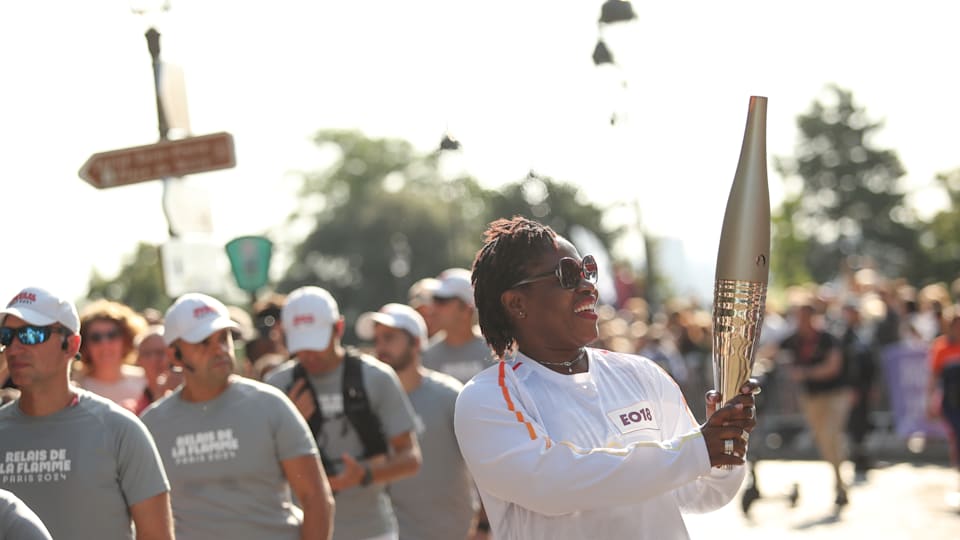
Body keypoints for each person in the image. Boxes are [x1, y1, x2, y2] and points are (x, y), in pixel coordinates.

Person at [454, 217, 757, 539]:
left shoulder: (642, 375)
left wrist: (725, 449)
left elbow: (701, 494)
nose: (588, 286)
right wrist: (696, 450)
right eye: (568, 275)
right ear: (517, 303)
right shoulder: (489, 397)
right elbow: (553, 485)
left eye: (588, 271)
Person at [140, 292, 333, 540]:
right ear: (174, 355)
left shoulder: (271, 405)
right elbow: (146, 520)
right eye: (203, 342)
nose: (219, 349)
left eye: (224, 338)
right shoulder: (152, 425)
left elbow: (316, 497)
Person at [0, 286, 173, 540]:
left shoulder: (120, 429)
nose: (14, 348)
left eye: (31, 334)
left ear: (71, 345)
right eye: (6, 336)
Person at [266, 286, 421, 540]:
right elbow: (261, 468)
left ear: (338, 328)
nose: (308, 354)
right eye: (300, 344)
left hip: (371, 531)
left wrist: (364, 475)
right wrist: (291, 423)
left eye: (315, 342)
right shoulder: (276, 386)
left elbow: (411, 458)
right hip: (302, 531)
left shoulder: (376, 378)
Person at [356, 303, 478, 540]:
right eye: (377, 340)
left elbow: (484, 466)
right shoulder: (366, 404)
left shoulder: (450, 396)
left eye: (389, 338)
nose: (380, 347)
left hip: (454, 534)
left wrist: (482, 527)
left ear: (417, 343)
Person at [777, 301, 852, 508]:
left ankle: (839, 484)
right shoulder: (794, 340)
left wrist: (805, 373)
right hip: (811, 397)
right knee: (823, 440)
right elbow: (771, 351)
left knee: (831, 435)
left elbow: (833, 367)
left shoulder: (828, 339)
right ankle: (839, 479)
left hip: (834, 394)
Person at [75, 299, 151, 413]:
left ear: (126, 339)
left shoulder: (146, 381)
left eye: (112, 335)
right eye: (96, 337)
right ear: (84, 344)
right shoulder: (76, 388)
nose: (105, 343)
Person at [421, 268, 493, 383]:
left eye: (442, 301)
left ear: (466, 309)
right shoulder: (426, 356)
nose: (432, 309)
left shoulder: (497, 353)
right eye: (433, 300)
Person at [928, 305, 960, 496]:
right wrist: (930, 400)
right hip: (952, 402)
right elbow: (933, 376)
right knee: (956, 438)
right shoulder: (941, 347)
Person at [135, 325, 181, 407]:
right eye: (147, 354)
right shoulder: (132, 409)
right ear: (138, 361)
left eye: (160, 352)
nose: (154, 359)